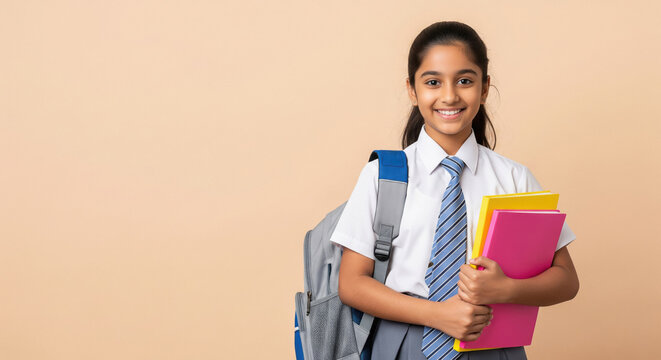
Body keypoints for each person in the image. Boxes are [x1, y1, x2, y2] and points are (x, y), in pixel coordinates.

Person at [330, 21, 579, 360]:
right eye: (433, 82)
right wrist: (437, 315)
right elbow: (352, 284)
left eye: (465, 80)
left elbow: (566, 280)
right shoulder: (382, 177)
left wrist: (507, 289)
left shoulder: (514, 179)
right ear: (412, 90)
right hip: (403, 344)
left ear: (485, 87)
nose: (449, 95)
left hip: (492, 345)